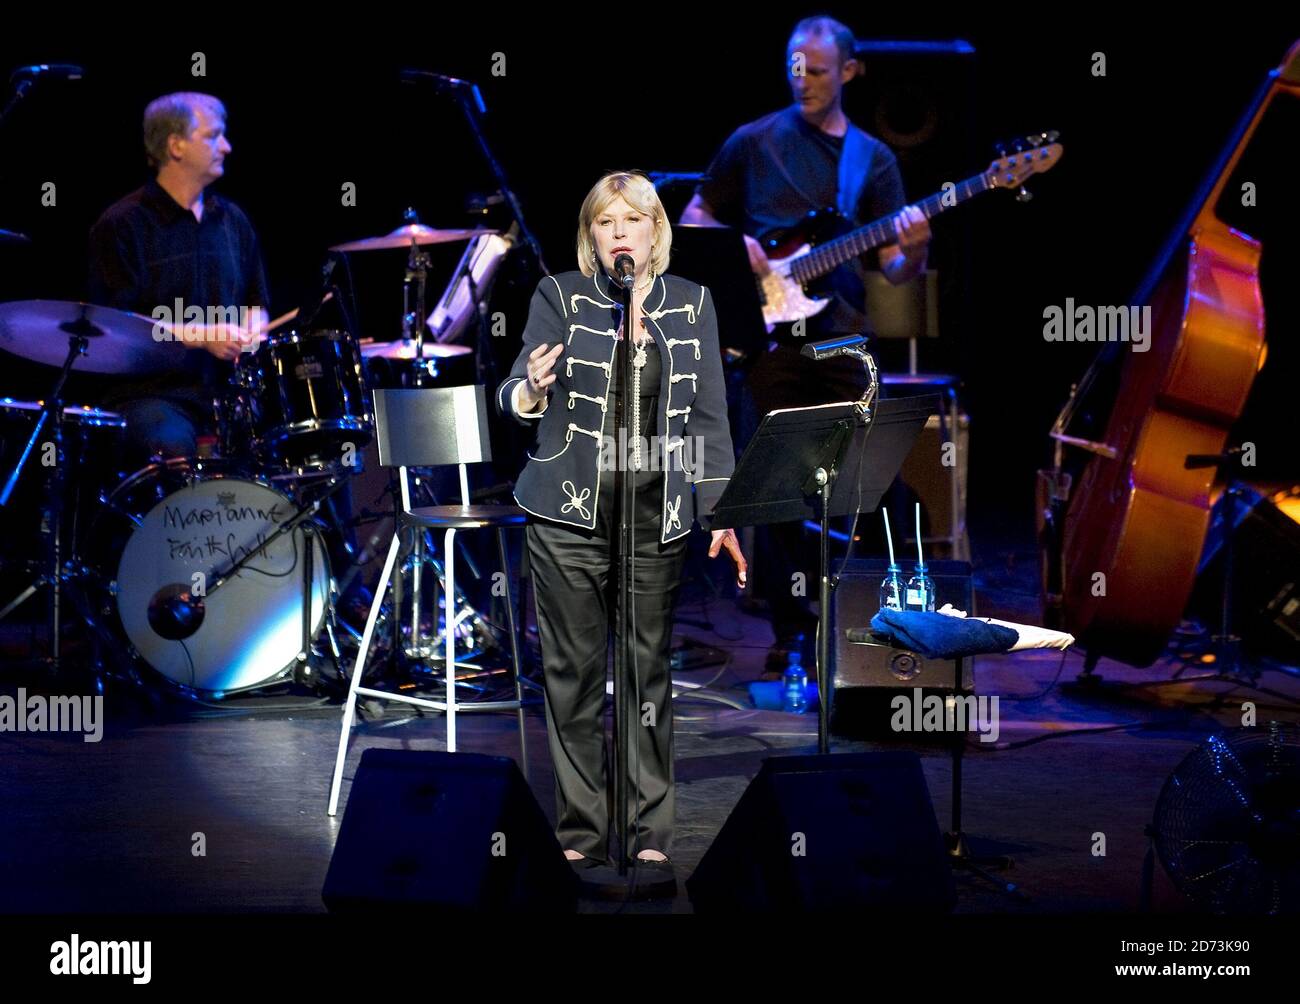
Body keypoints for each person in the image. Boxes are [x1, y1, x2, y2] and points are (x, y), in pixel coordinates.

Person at [498, 171, 746, 875]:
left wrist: (719, 509)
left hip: (654, 515)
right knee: (572, 677)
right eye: (604, 223)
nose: (617, 234)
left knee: (645, 679)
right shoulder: (560, 297)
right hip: (568, 515)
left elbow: (709, 418)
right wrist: (530, 390)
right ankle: (580, 825)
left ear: (654, 233)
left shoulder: (691, 305)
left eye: (631, 220)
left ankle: (647, 830)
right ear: (591, 236)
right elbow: (514, 386)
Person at [680, 16, 932, 671]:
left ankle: (885, 619)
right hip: (774, 342)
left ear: (849, 72)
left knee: (870, 479)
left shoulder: (871, 160)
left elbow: (895, 271)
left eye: (817, 69)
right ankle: (793, 630)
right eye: (794, 65)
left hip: (844, 338)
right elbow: (695, 217)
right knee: (782, 489)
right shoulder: (752, 140)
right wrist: (739, 247)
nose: (803, 79)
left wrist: (916, 248)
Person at [88, 91, 269, 467]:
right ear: (176, 146)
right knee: (168, 446)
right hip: (153, 394)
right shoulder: (122, 225)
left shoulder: (233, 221)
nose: (227, 146)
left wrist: (254, 332)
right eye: (213, 136)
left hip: (229, 393)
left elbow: (256, 303)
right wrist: (204, 336)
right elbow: (118, 328)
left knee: (318, 441)